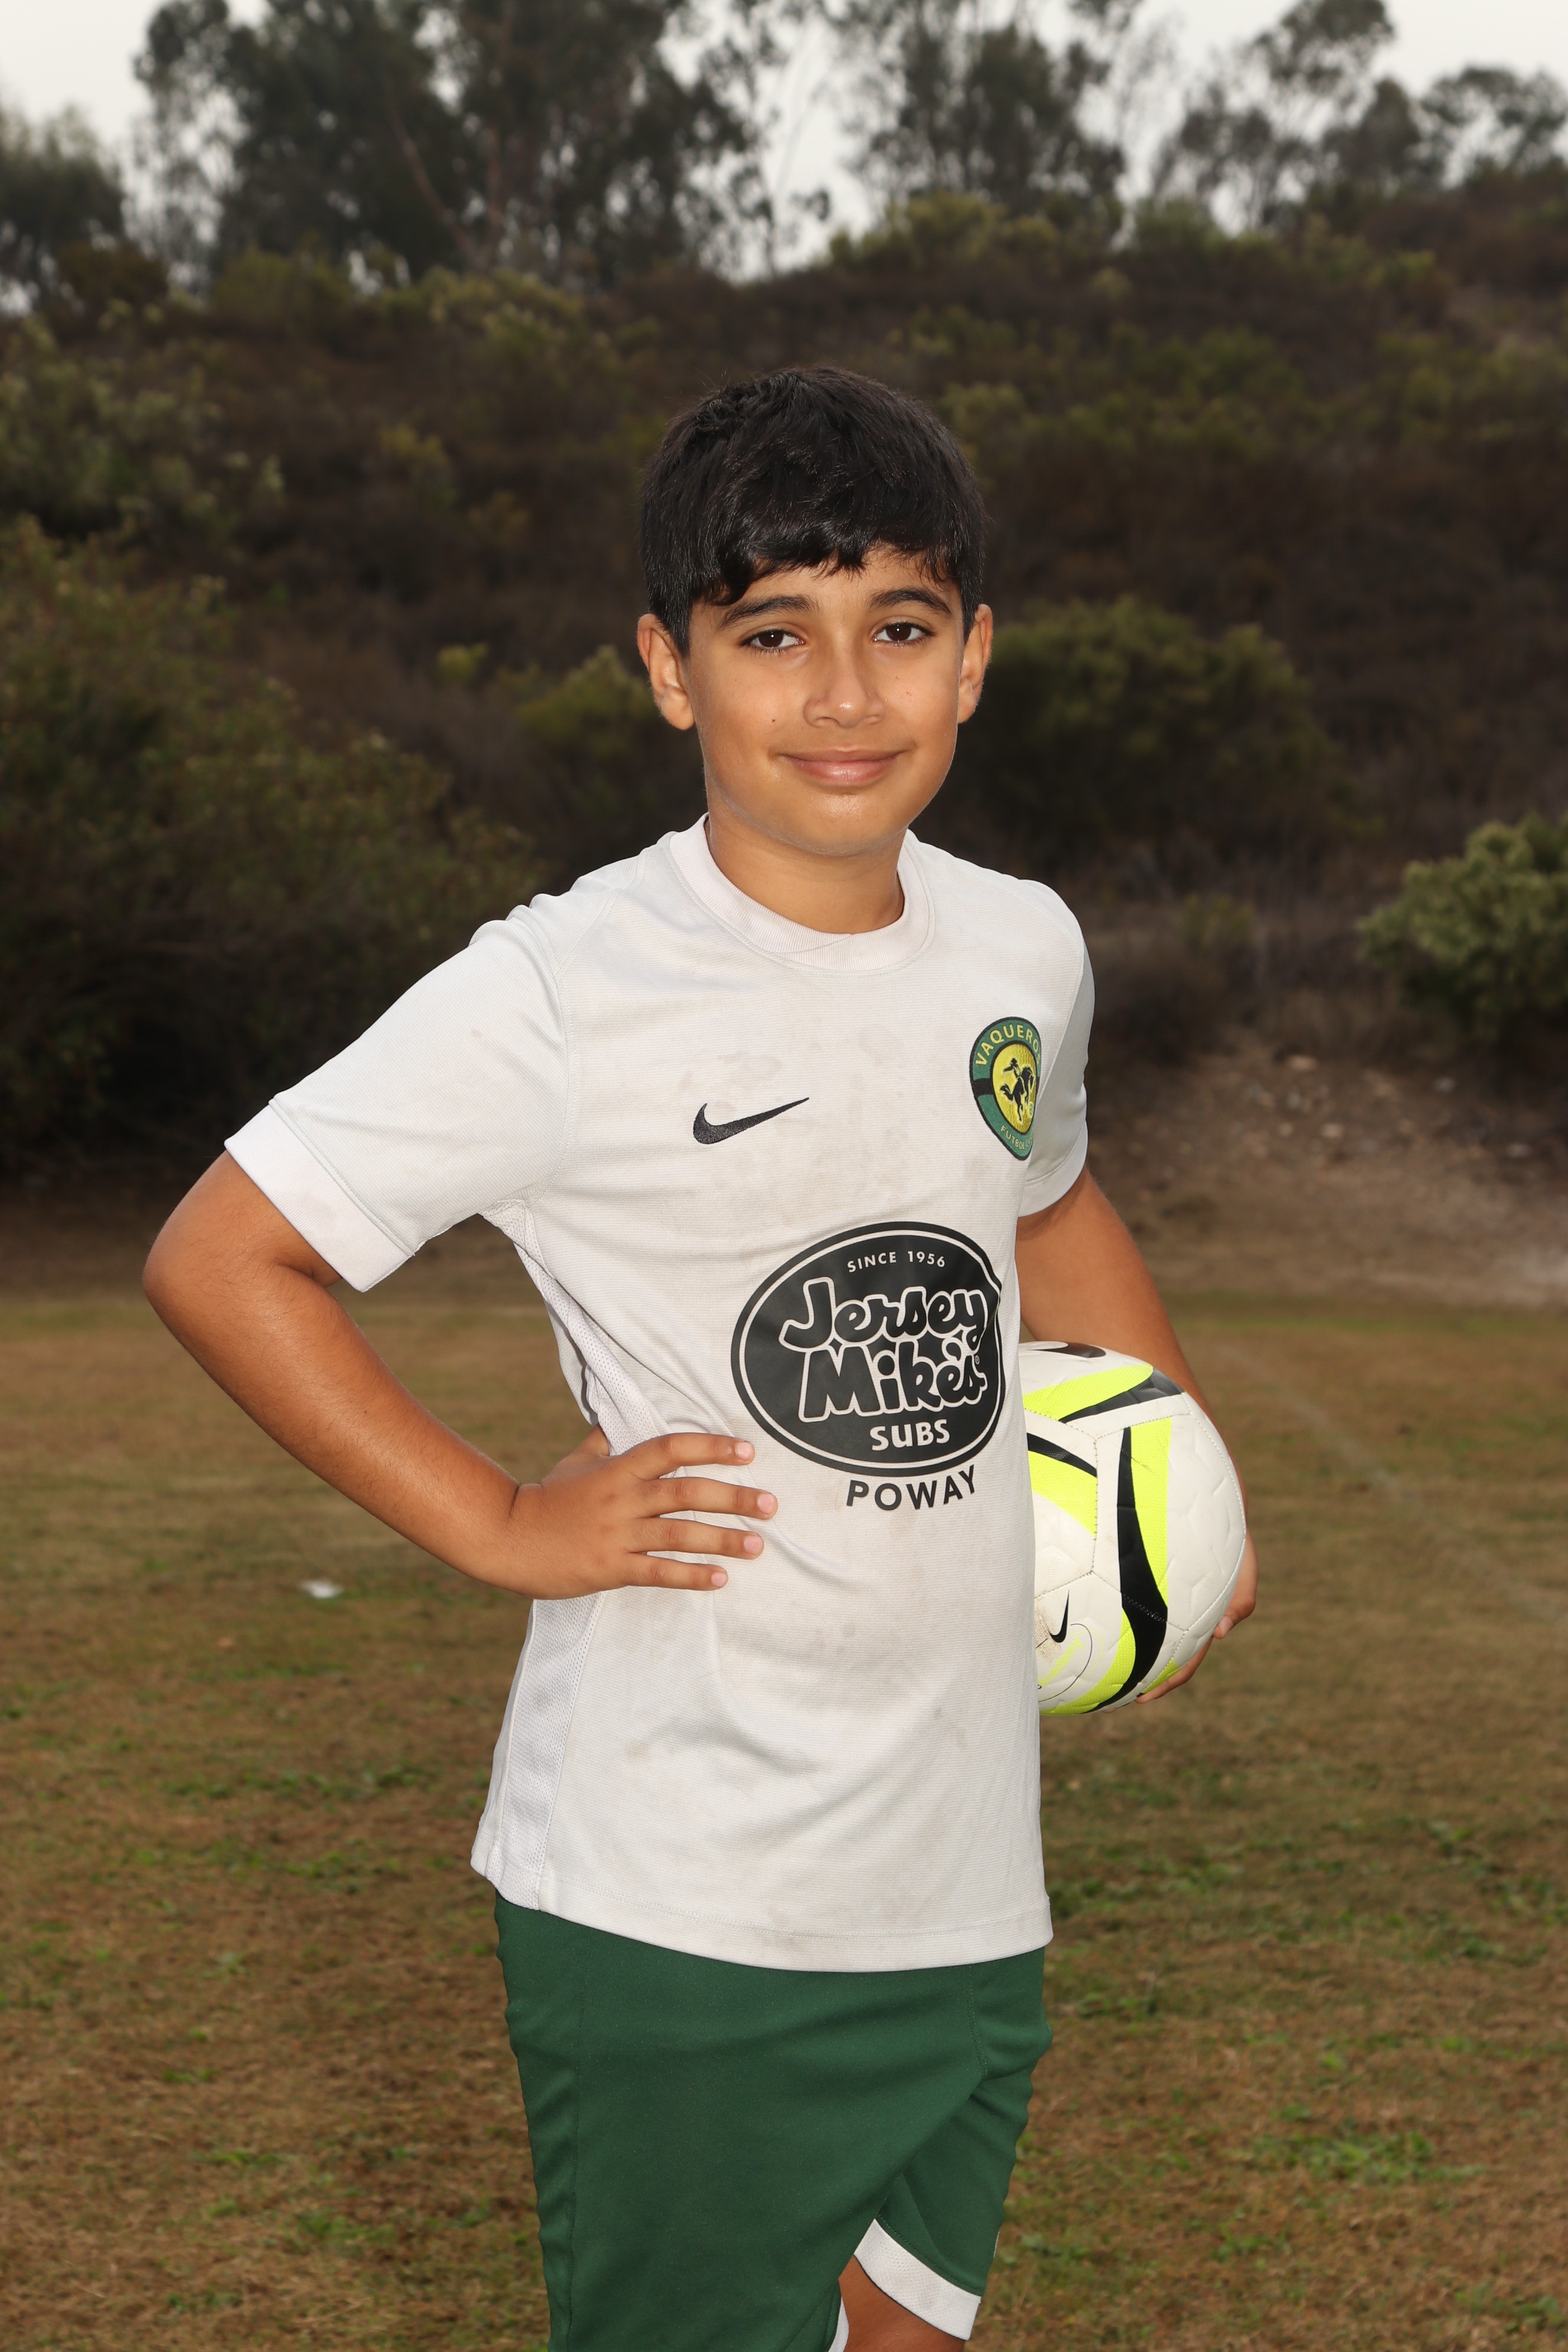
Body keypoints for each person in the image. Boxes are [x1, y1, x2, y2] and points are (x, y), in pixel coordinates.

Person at [144, 365, 1258, 2352]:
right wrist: (502, 1521)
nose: (843, 694)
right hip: (682, 1892)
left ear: (974, 657)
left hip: (961, 1876)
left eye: (897, 627)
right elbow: (229, 1258)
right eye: (772, 635)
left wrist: (1186, 1487)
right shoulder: (563, 989)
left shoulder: (1022, 950)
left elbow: (1048, 1197)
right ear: (671, 669)